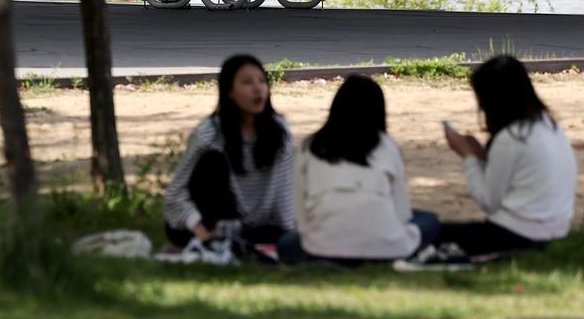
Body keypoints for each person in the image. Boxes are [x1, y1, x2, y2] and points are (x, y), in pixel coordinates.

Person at [413, 55, 576, 265]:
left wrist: (469, 157)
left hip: (516, 235)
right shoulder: (548, 126)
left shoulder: (511, 137)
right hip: (553, 231)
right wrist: (481, 158)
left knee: (428, 231)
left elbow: (489, 201)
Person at [280, 75, 440, 265]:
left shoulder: (310, 146)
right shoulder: (387, 145)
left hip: (321, 247)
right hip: (386, 248)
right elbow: (402, 212)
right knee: (429, 221)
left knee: (287, 243)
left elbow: (299, 211)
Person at [164, 54, 297, 263]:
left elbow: (284, 190)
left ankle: (234, 243)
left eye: (262, 81)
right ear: (229, 92)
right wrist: (202, 232)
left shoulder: (279, 131)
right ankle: (217, 242)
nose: (258, 88)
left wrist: (289, 236)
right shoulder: (209, 133)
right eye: (247, 82)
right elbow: (174, 196)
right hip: (208, 222)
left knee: (283, 238)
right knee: (212, 162)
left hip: (257, 227)